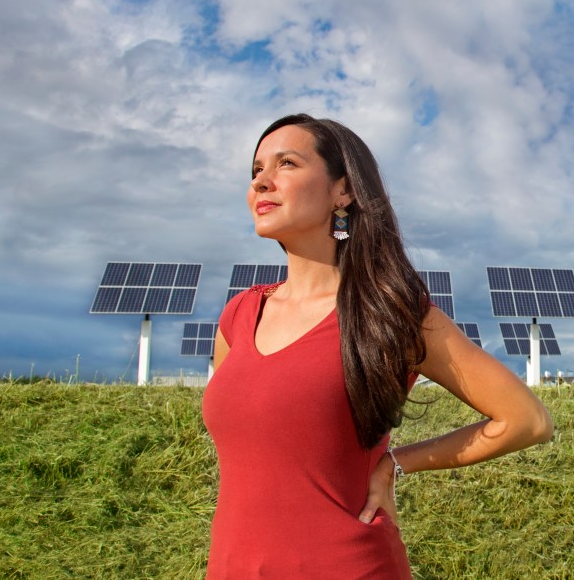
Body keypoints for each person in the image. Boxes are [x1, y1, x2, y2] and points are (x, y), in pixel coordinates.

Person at [202, 114, 553, 578]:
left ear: (342, 191)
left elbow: (526, 420)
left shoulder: (391, 314)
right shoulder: (237, 316)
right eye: (255, 171)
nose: (261, 182)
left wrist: (396, 463)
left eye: (286, 163)